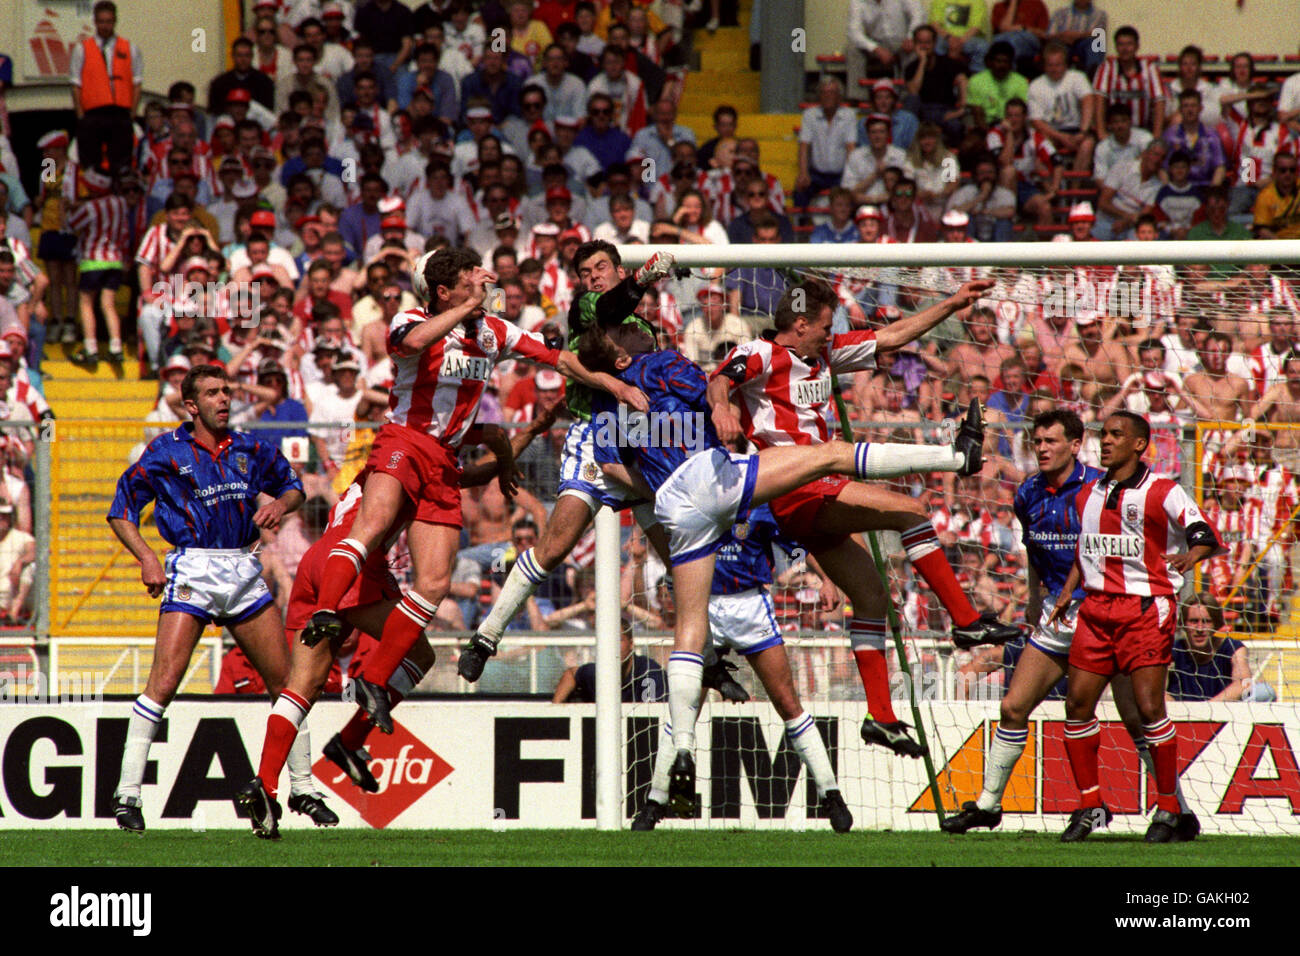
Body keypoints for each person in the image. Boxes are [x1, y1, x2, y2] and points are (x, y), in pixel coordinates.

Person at [578, 306, 987, 816]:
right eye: (627, 330)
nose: (640, 330)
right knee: (829, 454)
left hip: (674, 508)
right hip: (712, 486)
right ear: (619, 354)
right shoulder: (661, 364)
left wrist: (651, 472)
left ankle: (673, 770)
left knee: (687, 634)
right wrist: (726, 401)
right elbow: (715, 384)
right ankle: (953, 456)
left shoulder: (603, 404)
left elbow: (611, 463)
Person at [299, 248, 646, 732]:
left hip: (444, 459)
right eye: (471, 277)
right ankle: (325, 614)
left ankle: (374, 683)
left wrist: (610, 382)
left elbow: (560, 358)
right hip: (404, 439)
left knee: (436, 583)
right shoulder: (412, 317)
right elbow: (412, 341)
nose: (483, 280)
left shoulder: (493, 332)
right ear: (444, 292)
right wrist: (467, 307)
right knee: (371, 527)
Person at [709, 279, 1019, 756]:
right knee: (912, 510)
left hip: (813, 497)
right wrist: (721, 409)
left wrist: (953, 304)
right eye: (825, 324)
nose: (830, 332)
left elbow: (892, 337)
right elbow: (718, 378)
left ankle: (881, 717)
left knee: (873, 598)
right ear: (800, 324)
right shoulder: (762, 352)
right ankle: (965, 619)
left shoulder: (826, 352)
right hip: (795, 485)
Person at [238, 421, 536, 837]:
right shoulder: (418, 468)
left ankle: (265, 785)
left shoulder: (381, 471)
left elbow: (474, 472)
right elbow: (480, 465)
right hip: (357, 570)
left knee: (300, 687)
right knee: (420, 654)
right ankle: (350, 737)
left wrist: (504, 456)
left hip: (318, 563)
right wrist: (530, 432)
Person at [941, 410, 1199, 838]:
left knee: (1137, 716)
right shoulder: (1027, 493)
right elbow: (1034, 552)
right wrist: (1034, 602)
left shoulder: (1103, 488)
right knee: (1013, 706)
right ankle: (988, 805)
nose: (1041, 448)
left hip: (1107, 612)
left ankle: (1177, 809)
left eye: (1050, 441)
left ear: (1076, 445)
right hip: (1057, 615)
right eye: (1037, 441)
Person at [106, 364, 336, 833]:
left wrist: (280, 504)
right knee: (164, 682)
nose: (224, 398)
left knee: (288, 682)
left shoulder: (250, 446)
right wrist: (148, 558)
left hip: (243, 566)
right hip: (192, 567)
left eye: (227, 390)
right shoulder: (165, 451)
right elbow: (121, 510)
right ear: (191, 406)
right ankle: (127, 794)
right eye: (212, 393)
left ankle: (304, 788)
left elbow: (294, 487)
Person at [457, 241, 673, 682]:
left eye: (601, 268)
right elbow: (614, 301)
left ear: (616, 267)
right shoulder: (586, 308)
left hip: (641, 444)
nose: (594, 276)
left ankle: (708, 655)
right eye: (586, 271)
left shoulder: (647, 331)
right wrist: (645, 276)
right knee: (554, 547)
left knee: (677, 555)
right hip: (595, 439)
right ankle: (486, 635)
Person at [1046, 411, 1223, 843]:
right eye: (1103, 434)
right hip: (1095, 610)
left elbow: (1206, 534)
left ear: (1139, 444)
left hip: (1145, 610)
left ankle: (1168, 809)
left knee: (1148, 709)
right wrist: (1069, 590)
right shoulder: (1088, 492)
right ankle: (1090, 805)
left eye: (1115, 435)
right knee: (1076, 705)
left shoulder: (1163, 490)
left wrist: (1191, 558)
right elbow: (1086, 553)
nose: (1104, 441)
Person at [629, 504, 851, 832]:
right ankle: (655, 801)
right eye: (723, 446)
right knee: (683, 708)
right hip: (702, 606)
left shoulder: (760, 503)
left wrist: (826, 578)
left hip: (749, 608)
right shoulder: (694, 494)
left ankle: (830, 793)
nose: (727, 449)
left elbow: (796, 546)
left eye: (733, 446)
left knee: (787, 702)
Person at [69, 1, 143, 174]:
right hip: (93, 114)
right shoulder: (82, 49)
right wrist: (81, 116)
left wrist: (132, 114)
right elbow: (75, 85)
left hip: (120, 113)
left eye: (108, 21)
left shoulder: (130, 48)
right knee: (91, 166)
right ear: (95, 21)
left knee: (122, 164)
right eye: (101, 21)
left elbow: (137, 83)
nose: (105, 26)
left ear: (115, 21)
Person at [1168, 593, 1271, 702]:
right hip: (1183, 714)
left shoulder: (1233, 648)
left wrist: (1209, 708)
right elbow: (1158, 692)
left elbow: (1243, 683)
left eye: (1206, 621)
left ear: (1216, 623)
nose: (1200, 628)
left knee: (1265, 691)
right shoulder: (1172, 650)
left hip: (1223, 710)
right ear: (1184, 624)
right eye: (1194, 621)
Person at [552, 620, 666, 703]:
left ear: (631, 644)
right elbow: (571, 674)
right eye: (608, 640)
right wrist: (556, 711)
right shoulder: (598, 673)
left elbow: (655, 717)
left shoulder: (650, 672)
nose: (613, 646)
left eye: (618, 640)